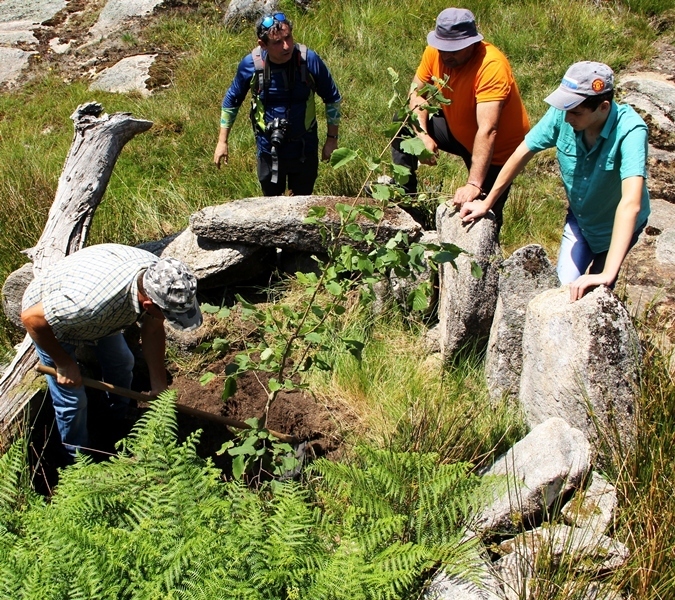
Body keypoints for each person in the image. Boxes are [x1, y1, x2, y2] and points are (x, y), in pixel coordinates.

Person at [459, 61, 650, 302]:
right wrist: (487, 203)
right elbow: (523, 152)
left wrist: (607, 274)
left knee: (593, 296)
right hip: (580, 221)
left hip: (615, 229)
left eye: (576, 112)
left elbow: (631, 203)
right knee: (562, 294)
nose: (567, 117)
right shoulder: (563, 113)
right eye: (565, 109)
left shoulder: (631, 131)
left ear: (603, 107)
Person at [21, 244, 203, 458]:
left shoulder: (160, 278)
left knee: (123, 362)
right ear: (148, 305)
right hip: (50, 323)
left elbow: (153, 330)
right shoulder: (88, 305)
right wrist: (63, 363)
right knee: (72, 400)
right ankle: (77, 458)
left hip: (102, 314)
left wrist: (158, 383)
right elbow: (31, 318)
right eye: (168, 315)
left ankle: (118, 417)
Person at [391, 7, 529, 227]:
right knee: (403, 122)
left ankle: (488, 245)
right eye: (442, 47)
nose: (446, 55)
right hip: (459, 131)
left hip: (497, 150)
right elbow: (416, 93)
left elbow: (488, 129)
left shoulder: (491, 66)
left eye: (454, 49)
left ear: (472, 43)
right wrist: (422, 136)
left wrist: (473, 184)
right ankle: (405, 199)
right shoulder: (434, 53)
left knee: (481, 215)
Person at [213, 12, 342, 196]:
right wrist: (222, 141)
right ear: (263, 44)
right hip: (267, 147)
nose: (286, 46)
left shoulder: (308, 60)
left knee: (303, 202)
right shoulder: (252, 65)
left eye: (288, 37)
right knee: (270, 201)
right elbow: (231, 101)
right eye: (277, 42)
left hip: (304, 146)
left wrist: (332, 140)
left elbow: (332, 98)